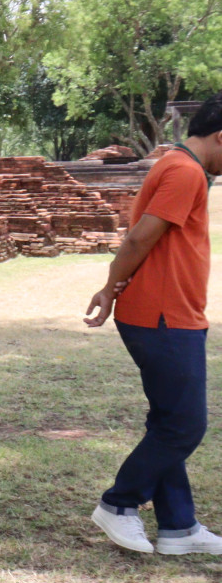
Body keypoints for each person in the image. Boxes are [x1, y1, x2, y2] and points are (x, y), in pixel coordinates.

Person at [84, 95, 222, 555]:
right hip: (164, 316)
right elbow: (141, 235)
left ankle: (179, 526)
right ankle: (118, 504)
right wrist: (109, 287)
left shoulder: (180, 165)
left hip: (173, 312)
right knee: (184, 426)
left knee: (168, 420)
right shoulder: (184, 172)